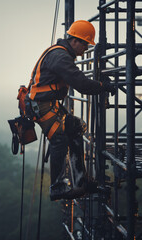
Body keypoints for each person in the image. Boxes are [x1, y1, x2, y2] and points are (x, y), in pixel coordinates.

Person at [25, 20, 115, 201]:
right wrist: (102, 86)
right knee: (59, 137)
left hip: (47, 103)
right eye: (85, 44)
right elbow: (81, 84)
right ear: (75, 41)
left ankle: (81, 181)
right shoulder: (61, 57)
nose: (86, 49)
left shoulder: (60, 54)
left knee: (74, 127)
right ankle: (57, 188)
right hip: (41, 105)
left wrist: (100, 86)